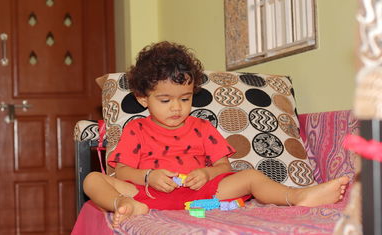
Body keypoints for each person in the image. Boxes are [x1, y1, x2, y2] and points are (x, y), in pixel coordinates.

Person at [83, 41, 350, 227]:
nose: (176, 107)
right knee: (94, 179)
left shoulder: (202, 127)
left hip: (200, 194)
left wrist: (207, 173)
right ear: (143, 99)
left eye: (185, 99)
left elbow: (224, 166)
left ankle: (298, 196)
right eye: (165, 100)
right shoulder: (136, 129)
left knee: (251, 176)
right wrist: (148, 176)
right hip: (146, 194)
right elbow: (123, 171)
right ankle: (122, 205)